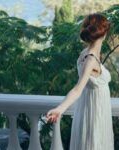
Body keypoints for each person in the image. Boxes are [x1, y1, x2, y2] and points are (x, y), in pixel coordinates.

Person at [46, 13, 114, 150]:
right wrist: (60, 109)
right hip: (96, 112)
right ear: (104, 34)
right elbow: (78, 89)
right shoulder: (90, 60)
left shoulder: (86, 53)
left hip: (89, 106)